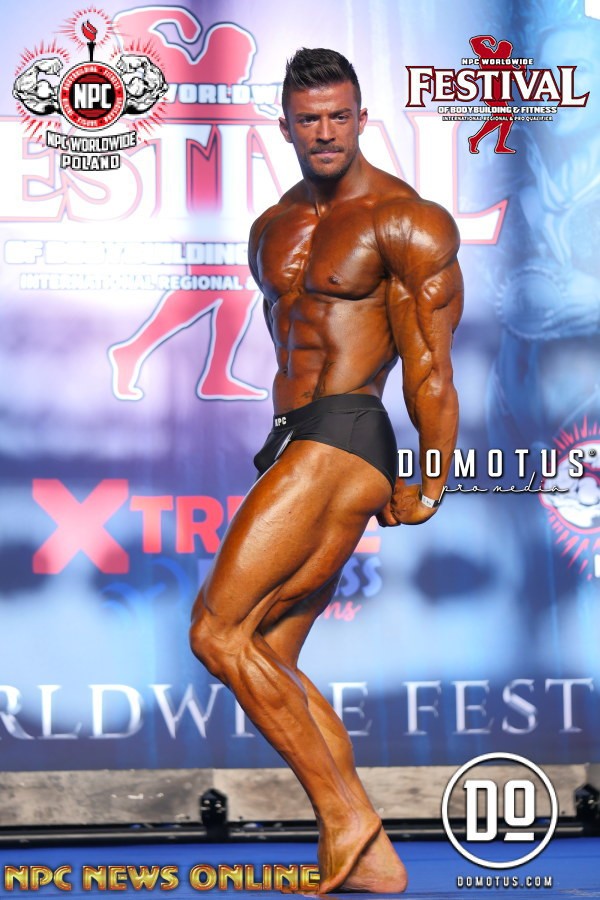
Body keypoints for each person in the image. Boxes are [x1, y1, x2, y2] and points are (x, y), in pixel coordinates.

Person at [190, 48, 463, 893]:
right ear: (285, 126)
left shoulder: (406, 220)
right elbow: (290, 350)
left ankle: (347, 820)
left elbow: (429, 367)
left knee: (215, 633)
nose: (325, 132)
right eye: (309, 119)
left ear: (362, 119)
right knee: (266, 650)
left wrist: (433, 475)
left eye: (339, 116)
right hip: (294, 437)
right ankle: (372, 860)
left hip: (348, 434)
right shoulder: (272, 227)